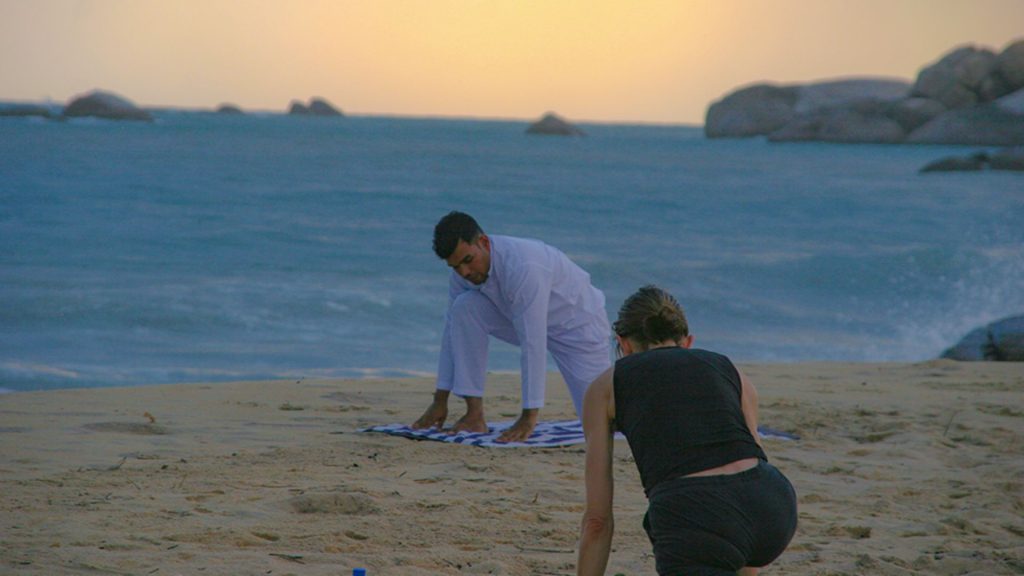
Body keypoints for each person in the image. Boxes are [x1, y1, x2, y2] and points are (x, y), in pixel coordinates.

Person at [577, 285, 797, 576]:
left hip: (694, 513)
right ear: (688, 341)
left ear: (624, 344)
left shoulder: (606, 386)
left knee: (675, 515)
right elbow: (748, 464)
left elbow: (597, 520)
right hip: (773, 507)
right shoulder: (730, 369)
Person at [411, 211, 612, 443]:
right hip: (516, 317)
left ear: (483, 242)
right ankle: (474, 414)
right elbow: (451, 331)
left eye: (467, 260)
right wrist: (440, 400)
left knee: (603, 419)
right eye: (455, 266)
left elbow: (533, 343)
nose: (464, 272)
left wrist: (528, 417)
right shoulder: (462, 274)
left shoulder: (523, 267)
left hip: (577, 326)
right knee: (463, 308)